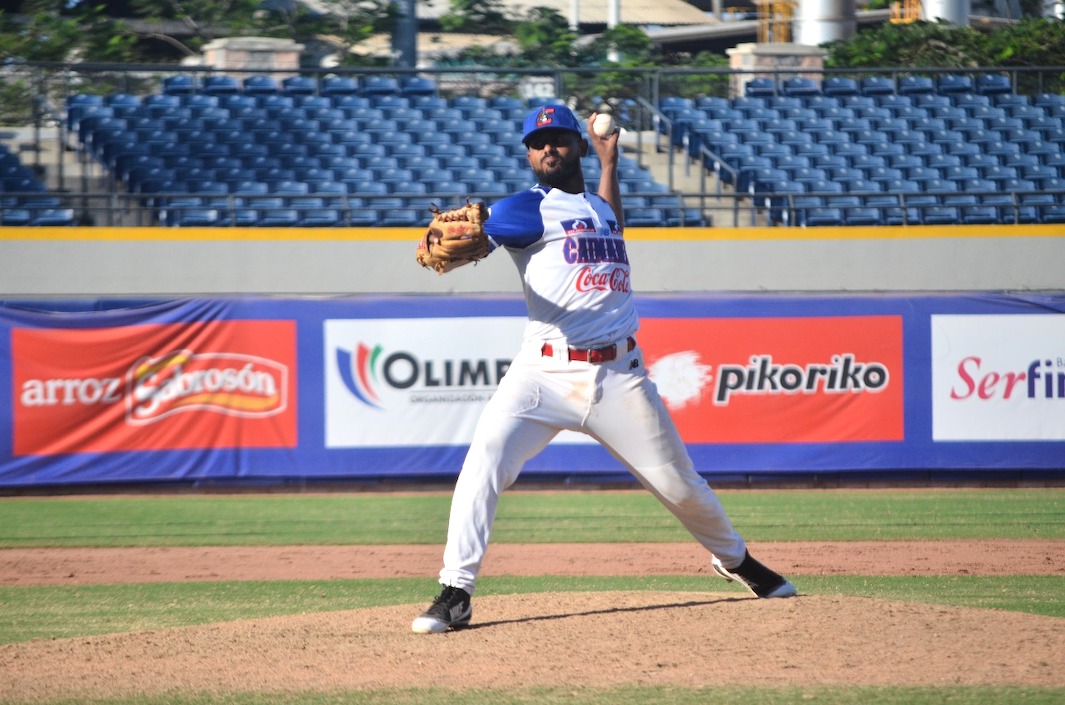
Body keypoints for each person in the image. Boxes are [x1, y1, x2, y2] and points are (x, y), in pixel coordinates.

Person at [411, 103, 796, 634]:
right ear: (528, 154)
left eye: (559, 139)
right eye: (538, 142)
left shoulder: (599, 205)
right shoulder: (523, 209)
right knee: (483, 465)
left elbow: (609, 221)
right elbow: (465, 236)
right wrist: (443, 239)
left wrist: (610, 165)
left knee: (681, 486)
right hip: (541, 375)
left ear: (576, 145)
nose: (548, 148)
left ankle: (735, 561)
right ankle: (457, 591)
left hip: (620, 377)